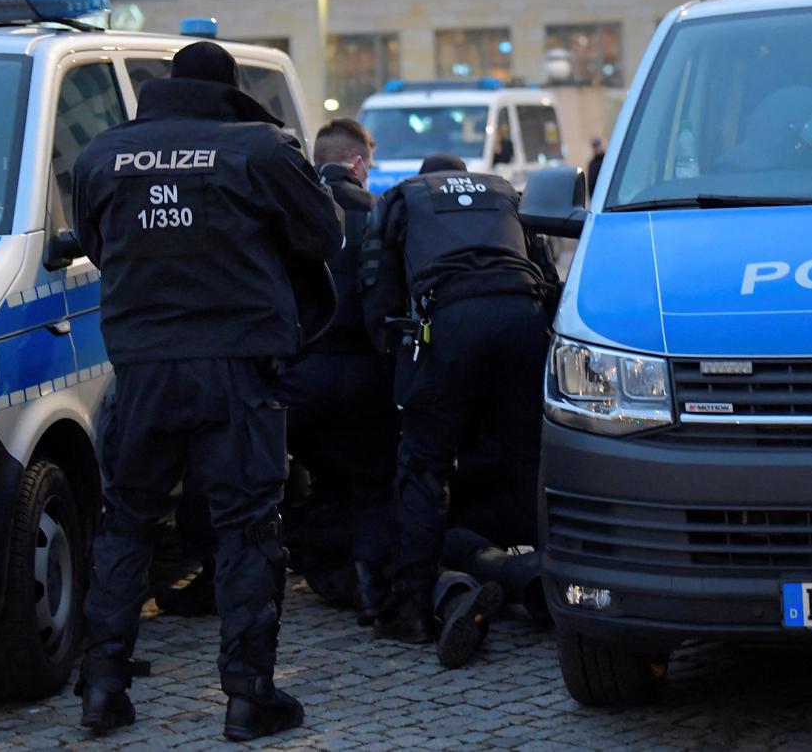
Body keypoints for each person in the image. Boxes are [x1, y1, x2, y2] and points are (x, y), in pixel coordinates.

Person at [71, 41, 342, 741]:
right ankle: (249, 695)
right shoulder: (260, 149)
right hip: (237, 366)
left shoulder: (101, 155)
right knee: (248, 527)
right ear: (230, 90)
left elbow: (98, 245)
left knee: (125, 522)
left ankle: (102, 688)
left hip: (142, 368)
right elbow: (324, 235)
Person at [360, 161, 557, 661]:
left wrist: (395, 370)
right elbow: (547, 271)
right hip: (524, 316)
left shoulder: (403, 197)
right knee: (531, 460)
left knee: (423, 468)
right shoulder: (504, 193)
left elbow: (377, 289)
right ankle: (559, 583)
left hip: (450, 320)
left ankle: (412, 611)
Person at [274, 118, 398, 626]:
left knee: (321, 475)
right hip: (366, 377)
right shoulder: (379, 213)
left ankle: (319, 568)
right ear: (357, 163)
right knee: (372, 483)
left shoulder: (290, 213)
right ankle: (370, 588)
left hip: (301, 377)